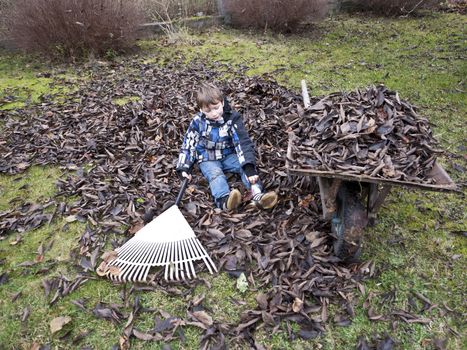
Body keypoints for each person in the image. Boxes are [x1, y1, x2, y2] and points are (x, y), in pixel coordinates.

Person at [176, 83, 278, 211]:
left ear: (222, 102)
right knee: (215, 174)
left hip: (228, 154)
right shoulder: (197, 122)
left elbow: (242, 142)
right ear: (201, 110)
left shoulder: (232, 119)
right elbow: (189, 143)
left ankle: (258, 194)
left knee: (245, 168)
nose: (213, 113)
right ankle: (225, 201)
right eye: (208, 111)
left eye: (216, 108)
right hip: (208, 157)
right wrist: (184, 167)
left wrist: (248, 167)